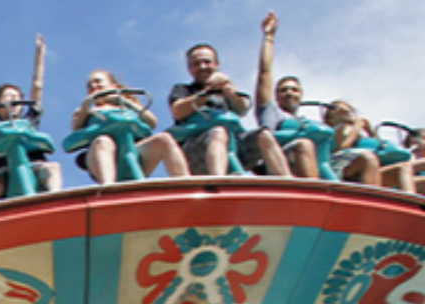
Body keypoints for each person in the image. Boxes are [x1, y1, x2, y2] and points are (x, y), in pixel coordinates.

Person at [169, 42, 290, 176]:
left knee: (264, 135)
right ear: (190, 68)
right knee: (219, 132)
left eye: (207, 62)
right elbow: (178, 111)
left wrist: (231, 93)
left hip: (235, 145)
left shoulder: (225, 91)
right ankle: (220, 181)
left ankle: (286, 181)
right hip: (196, 150)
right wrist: (208, 91)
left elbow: (242, 108)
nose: (202, 66)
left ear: (216, 65)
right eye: (196, 63)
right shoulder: (183, 90)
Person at [0, 35, 63, 203]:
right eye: (7, 97)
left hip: (34, 165)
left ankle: (55, 200)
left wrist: (40, 54)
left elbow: (37, 85)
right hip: (4, 170)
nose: (12, 100)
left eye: (16, 97)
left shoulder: (29, 119)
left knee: (53, 169)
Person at [71, 70, 189, 184]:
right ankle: (108, 186)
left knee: (164, 139)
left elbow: (152, 122)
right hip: (102, 154)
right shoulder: (87, 112)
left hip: (133, 152)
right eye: (89, 85)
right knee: (103, 141)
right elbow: (76, 130)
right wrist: (84, 111)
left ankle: (184, 182)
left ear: (114, 86)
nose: (93, 86)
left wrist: (125, 102)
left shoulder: (127, 108)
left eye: (98, 81)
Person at [253, 12, 320, 178]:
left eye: (294, 90)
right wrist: (269, 38)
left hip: (311, 162)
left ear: (301, 95)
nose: (289, 93)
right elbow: (265, 72)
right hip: (277, 162)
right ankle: (312, 194)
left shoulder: (306, 123)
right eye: (283, 90)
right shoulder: (270, 111)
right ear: (275, 96)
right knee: (304, 145)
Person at [322, 100, 382, 185]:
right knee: (368, 158)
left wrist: (370, 131)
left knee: (404, 168)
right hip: (337, 164)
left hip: (362, 163)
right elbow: (343, 147)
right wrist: (357, 126)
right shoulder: (331, 130)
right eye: (336, 109)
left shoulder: (352, 130)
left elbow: (382, 148)